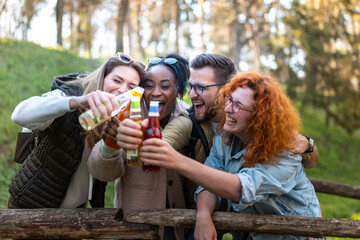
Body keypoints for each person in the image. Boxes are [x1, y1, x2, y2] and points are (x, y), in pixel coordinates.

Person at [139, 72, 321, 240]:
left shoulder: (284, 153)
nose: (227, 109)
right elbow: (208, 183)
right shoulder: (225, 140)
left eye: (238, 105)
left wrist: (176, 160)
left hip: (300, 235)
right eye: (229, 100)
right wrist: (203, 214)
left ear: (260, 117)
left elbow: (241, 189)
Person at [8, 52, 146, 209]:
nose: (122, 90)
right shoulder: (72, 94)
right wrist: (77, 102)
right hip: (33, 203)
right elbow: (19, 115)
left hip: (76, 213)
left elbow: (109, 173)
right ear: (102, 78)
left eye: (131, 87)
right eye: (116, 80)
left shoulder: (123, 119)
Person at [87, 53, 190, 239]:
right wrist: (109, 145)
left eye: (165, 86)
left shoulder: (187, 117)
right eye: (149, 86)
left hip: (178, 226)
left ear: (179, 90)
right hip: (135, 226)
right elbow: (103, 173)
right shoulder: (128, 112)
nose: (155, 92)